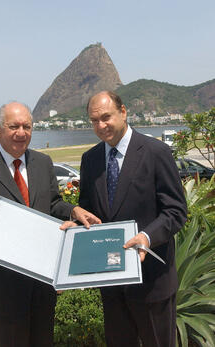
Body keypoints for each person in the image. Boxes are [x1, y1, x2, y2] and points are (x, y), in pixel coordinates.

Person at [0, 101, 101, 347]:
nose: (21, 132)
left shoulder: (43, 163)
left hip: (43, 284)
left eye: (26, 126)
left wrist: (73, 210)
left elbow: (53, 204)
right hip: (3, 287)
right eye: (13, 126)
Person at [78, 91, 187, 347]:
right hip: (112, 283)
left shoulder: (156, 151)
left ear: (123, 112)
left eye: (106, 117)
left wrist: (148, 236)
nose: (101, 125)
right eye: (94, 120)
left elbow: (176, 210)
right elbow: (87, 208)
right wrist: (78, 220)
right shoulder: (90, 159)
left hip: (153, 282)